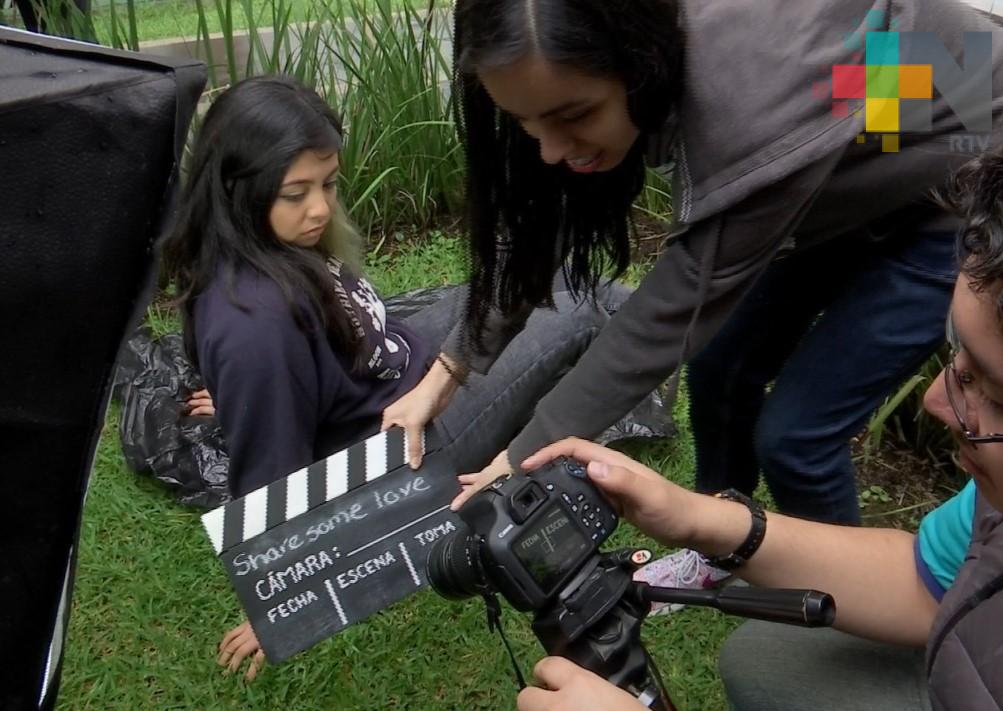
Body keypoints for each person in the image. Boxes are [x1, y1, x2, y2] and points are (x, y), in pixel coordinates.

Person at [419, 0, 1003, 532]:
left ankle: (850, 625)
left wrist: (521, 456)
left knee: (796, 436)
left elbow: (666, 318)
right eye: (526, 123)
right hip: (865, 150)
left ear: (640, 66)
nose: (548, 148)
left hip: (963, 187)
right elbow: (546, 221)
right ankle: (723, 542)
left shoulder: (747, 114)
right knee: (720, 368)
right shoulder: (631, 52)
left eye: (572, 116)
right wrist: (450, 369)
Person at [161, 74, 633, 679]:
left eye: (328, 184)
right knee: (589, 304)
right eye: (295, 192)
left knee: (525, 288)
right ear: (235, 190)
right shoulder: (253, 329)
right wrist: (277, 604)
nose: (320, 208)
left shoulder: (261, 244)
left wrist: (239, 399)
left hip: (402, 362)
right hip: (413, 443)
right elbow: (268, 483)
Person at [510, 147, 1003, 710]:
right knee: (768, 656)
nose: (938, 399)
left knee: (796, 435)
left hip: (891, 222)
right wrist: (704, 520)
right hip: (855, 223)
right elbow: (927, 584)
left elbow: (681, 292)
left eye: (990, 389)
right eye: (958, 360)